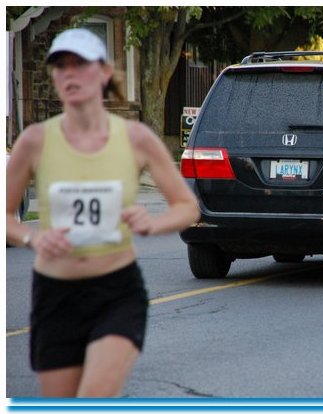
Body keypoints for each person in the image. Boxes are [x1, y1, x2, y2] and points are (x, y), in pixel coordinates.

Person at [5, 28, 200, 397]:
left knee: (94, 397)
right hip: (55, 294)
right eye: (61, 66)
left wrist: (152, 222)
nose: (70, 74)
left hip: (116, 291)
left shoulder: (136, 138)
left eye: (80, 64)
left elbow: (187, 207)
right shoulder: (34, 140)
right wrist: (33, 237)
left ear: (105, 72)